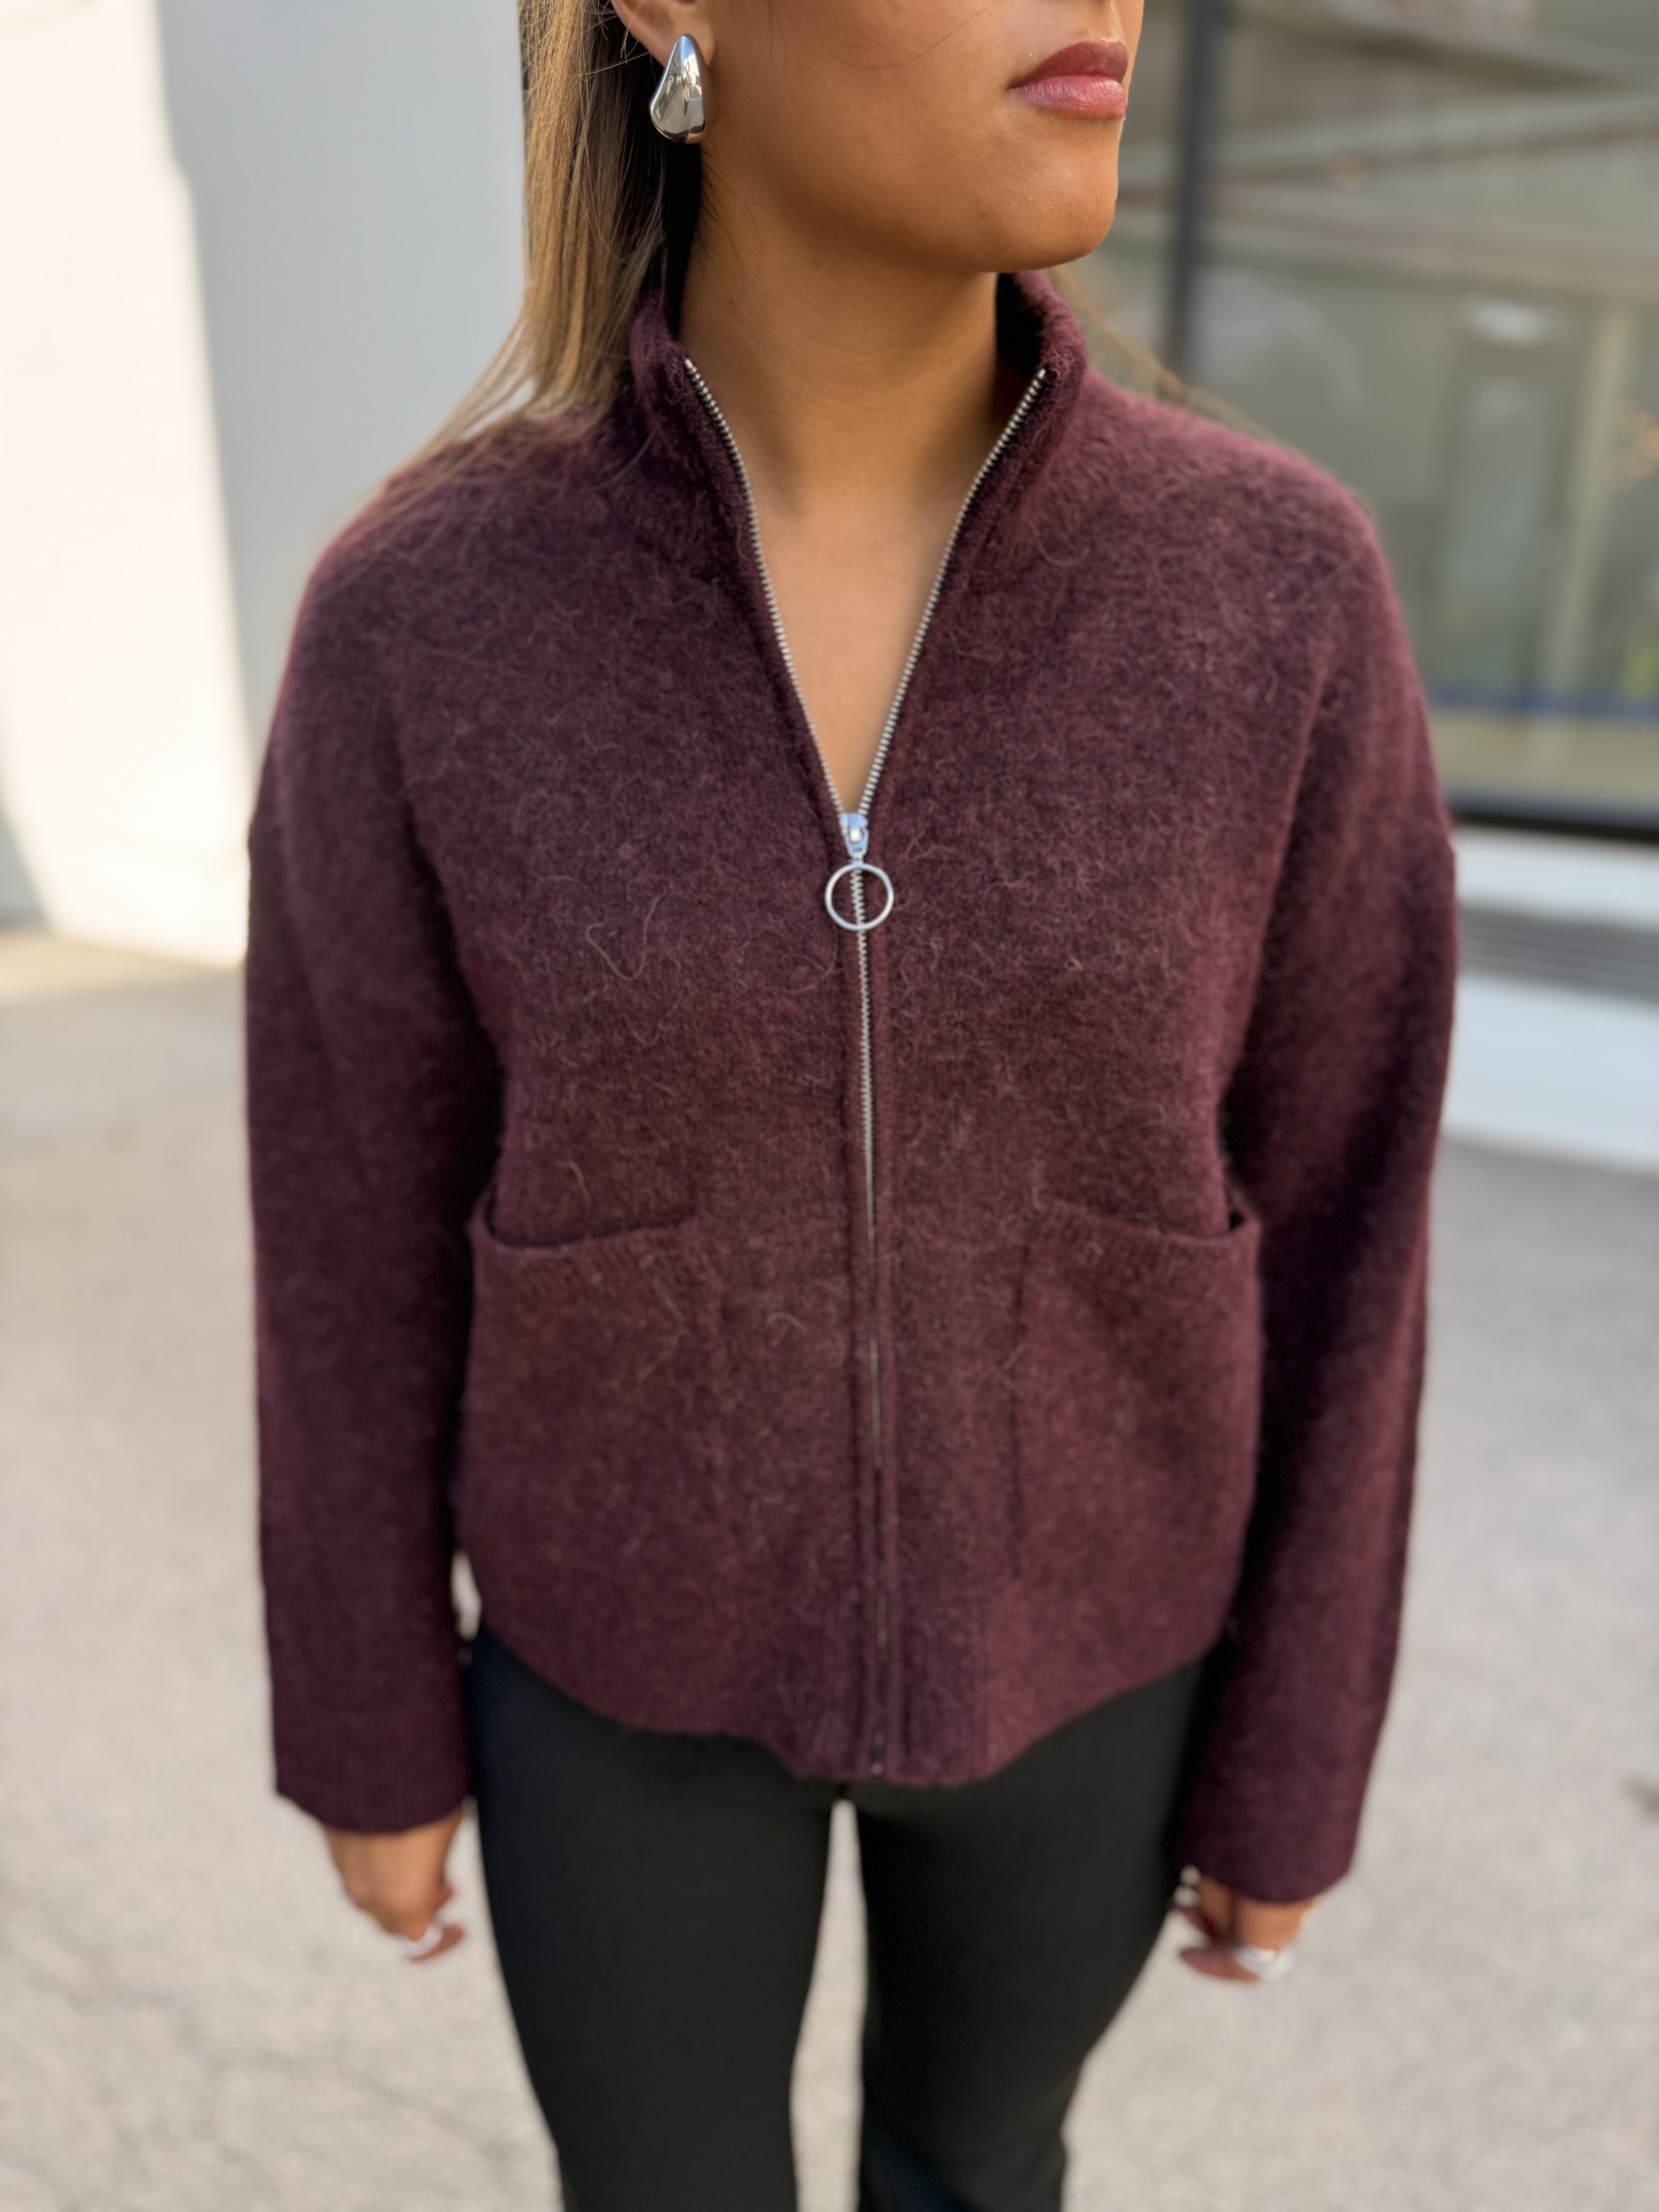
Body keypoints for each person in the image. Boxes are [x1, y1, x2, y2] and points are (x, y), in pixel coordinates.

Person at [246, 0, 1457, 2203]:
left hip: (1095, 1659)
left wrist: (1299, 1745)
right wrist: (365, 1717)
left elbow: (1352, 1217)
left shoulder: (1275, 598)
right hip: (613, 1672)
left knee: (983, 2172)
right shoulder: (425, 622)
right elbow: (348, 1224)